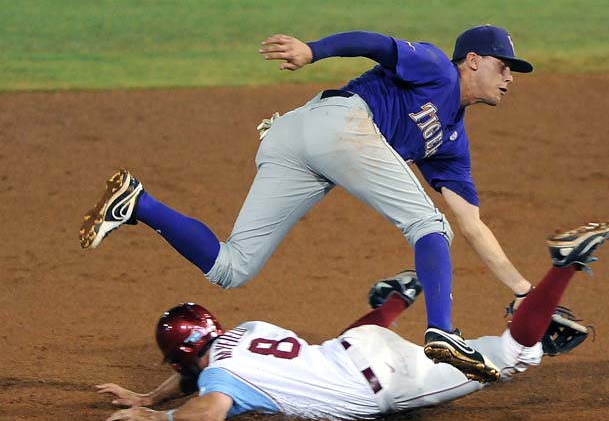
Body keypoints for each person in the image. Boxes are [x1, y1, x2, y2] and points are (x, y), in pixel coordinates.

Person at [81, 25, 536, 383]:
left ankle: (139, 203)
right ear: (472, 62)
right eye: (504, 66)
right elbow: (374, 44)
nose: (510, 77)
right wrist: (312, 51)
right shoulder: (437, 66)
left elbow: (473, 225)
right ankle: (442, 332)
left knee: (232, 268)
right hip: (336, 121)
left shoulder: (452, 142)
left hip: (297, 137)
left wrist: (524, 293)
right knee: (429, 225)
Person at [97, 222, 609, 421]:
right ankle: (392, 302)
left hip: (388, 382)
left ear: (185, 356)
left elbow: (208, 408)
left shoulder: (219, 380)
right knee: (325, 349)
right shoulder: (245, 330)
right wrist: (147, 395)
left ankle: (562, 267)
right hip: (363, 340)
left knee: (511, 356)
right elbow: (197, 368)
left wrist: (156, 417)